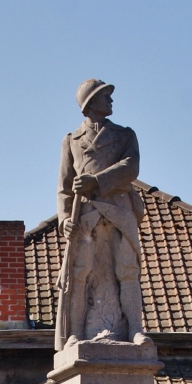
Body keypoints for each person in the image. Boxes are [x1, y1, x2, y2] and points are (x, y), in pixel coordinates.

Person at [55, 78, 147, 349]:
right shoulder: (72, 140)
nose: (111, 101)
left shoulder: (125, 135)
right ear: (90, 104)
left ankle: (135, 331)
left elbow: (131, 167)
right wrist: (64, 221)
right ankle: (75, 334)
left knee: (128, 269)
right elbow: (63, 188)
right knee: (80, 273)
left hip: (119, 209)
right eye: (105, 96)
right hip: (86, 215)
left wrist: (97, 181)